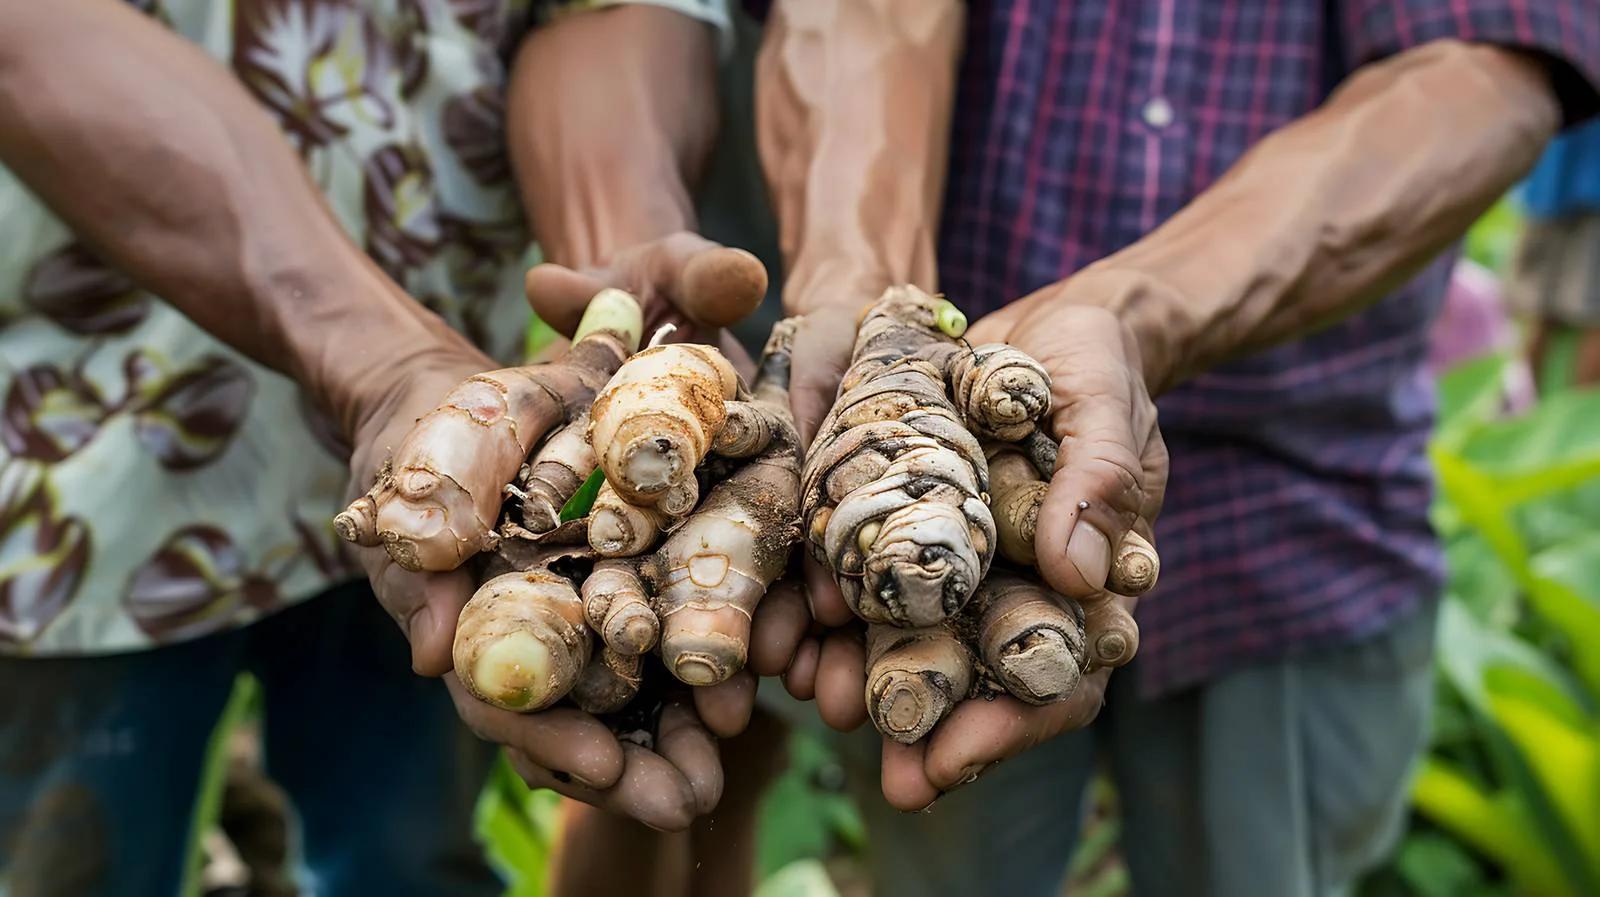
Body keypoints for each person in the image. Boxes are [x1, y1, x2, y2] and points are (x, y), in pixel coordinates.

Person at [545, 1, 1600, 896]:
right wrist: (867, 292)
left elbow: (1484, 61)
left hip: (1294, 501)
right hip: (936, 478)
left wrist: (1131, 314)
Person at [0, 1, 773, 894]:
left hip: (465, 469)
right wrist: (384, 359)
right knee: (80, 863)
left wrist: (618, 266)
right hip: (84, 463)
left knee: (403, 855)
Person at [1506, 117, 1600, 390]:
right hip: (1574, 192)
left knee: (1539, 315)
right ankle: (1577, 427)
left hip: (1548, 187)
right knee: (1590, 317)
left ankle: (1521, 410)